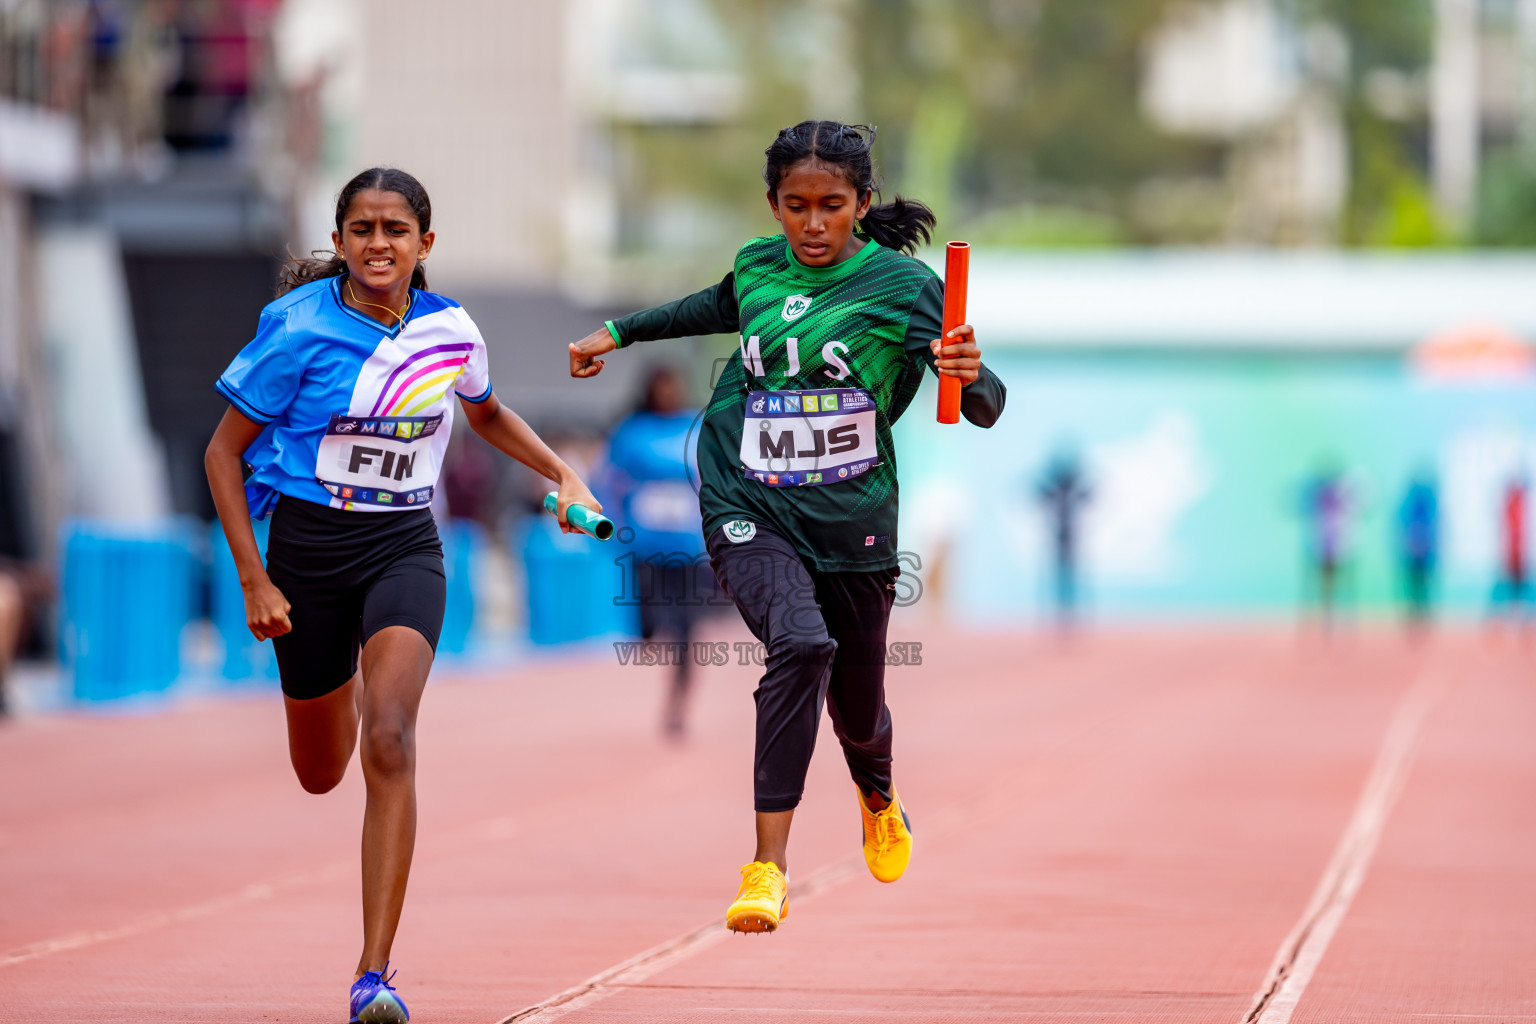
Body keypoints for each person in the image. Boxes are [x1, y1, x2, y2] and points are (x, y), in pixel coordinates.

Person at [567, 121, 1006, 933]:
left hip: (852, 524)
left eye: (831, 206)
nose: (812, 224)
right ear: (773, 205)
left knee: (861, 710)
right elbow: (713, 305)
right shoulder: (758, 265)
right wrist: (619, 332)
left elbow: (983, 407)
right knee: (800, 645)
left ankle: (877, 793)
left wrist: (969, 374)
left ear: (861, 204)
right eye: (795, 206)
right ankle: (767, 866)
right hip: (747, 500)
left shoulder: (904, 289)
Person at [204, 168, 599, 1024]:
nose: (378, 244)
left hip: (402, 546)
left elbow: (485, 415)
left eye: (395, 229)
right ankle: (332, 679)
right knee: (321, 772)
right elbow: (221, 455)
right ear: (340, 240)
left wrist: (562, 469)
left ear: (426, 244)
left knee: (390, 738)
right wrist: (256, 576)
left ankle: (373, 976)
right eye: (361, 228)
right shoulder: (296, 331)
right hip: (306, 554)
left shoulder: (451, 328)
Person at [603, 365, 719, 739]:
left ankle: (677, 706)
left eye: (674, 386)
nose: (669, 393)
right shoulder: (631, 431)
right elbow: (606, 482)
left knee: (687, 629)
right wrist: (616, 526)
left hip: (687, 547)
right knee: (650, 627)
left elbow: (717, 478)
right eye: (662, 387)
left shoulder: (696, 426)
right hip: (645, 545)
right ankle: (650, 630)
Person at [1035, 449, 1092, 629]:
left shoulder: (1069, 490)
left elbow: (1088, 496)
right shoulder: (1057, 490)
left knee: (1069, 578)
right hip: (1060, 537)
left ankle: (1069, 615)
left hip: (1070, 537)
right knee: (1062, 578)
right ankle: (1062, 615)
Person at [1397, 469, 1438, 631]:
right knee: (1418, 587)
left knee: (1418, 587)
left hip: (1419, 553)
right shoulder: (1425, 502)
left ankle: (1419, 616)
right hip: (1418, 553)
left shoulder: (1417, 503)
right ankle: (1418, 616)